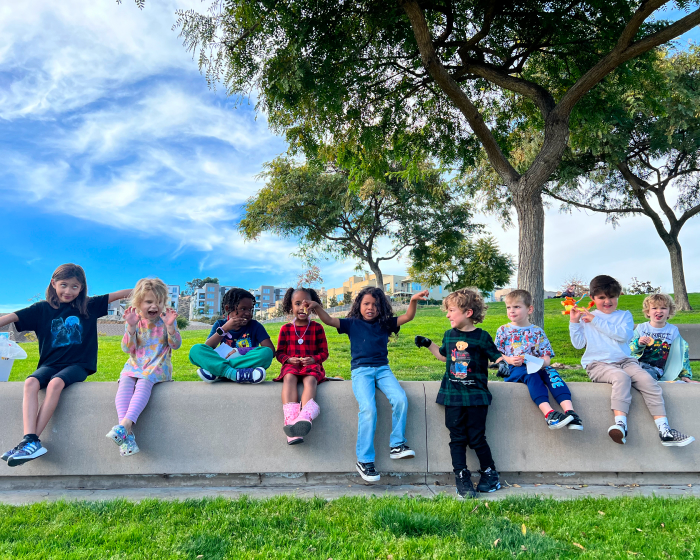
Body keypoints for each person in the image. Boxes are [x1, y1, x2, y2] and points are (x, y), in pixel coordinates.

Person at [0, 263, 132, 467]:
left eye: (74, 287)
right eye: (63, 285)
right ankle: (30, 440)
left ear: (82, 288)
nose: (68, 291)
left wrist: (148, 288)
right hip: (50, 363)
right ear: (53, 283)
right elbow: (9, 318)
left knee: (54, 384)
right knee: (30, 383)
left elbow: (119, 294)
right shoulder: (41, 309)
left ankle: (30, 442)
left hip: (79, 364)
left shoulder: (87, 306)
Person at [304, 287, 429, 483]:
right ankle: (364, 460)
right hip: (361, 371)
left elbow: (408, 317)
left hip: (383, 370)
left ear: (381, 307)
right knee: (368, 409)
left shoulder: (385, 323)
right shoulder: (352, 324)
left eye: (375, 304)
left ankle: (397, 444)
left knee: (400, 399)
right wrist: (318, 307)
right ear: (359, 305)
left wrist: (413, 300)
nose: (370, 307)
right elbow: (329, 320)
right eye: (366, 304)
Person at [569, 275, 694, 446]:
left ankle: (664, 430)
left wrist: (595, 320)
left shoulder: (624, 316)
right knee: (621, 378)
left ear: (618, 295)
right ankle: (620, 424)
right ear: (592, 298)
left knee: (648, 381)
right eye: (602, 298)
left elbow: (623, 336)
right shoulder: (587, 317)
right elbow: (578, 344)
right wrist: (574, 323)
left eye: (612, 297)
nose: (607, 301)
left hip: (626, 361)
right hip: (598, 364)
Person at [415, 288, 504, 499]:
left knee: (476, 438)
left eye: (452, 310)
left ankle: (490, 474)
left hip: (476, 396)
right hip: (453, 395)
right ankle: (461, 476)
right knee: (456, 438)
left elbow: (496, 356)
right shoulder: (449, 335)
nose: (448, 315)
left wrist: (503, 365)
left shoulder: (481, 337)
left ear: (468, 313)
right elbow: (444, 357)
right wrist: (428, 344)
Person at [106, 279, 182, 456]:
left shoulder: (166, 320)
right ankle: (127, 434)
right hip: (135, 364)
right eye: (149, 302)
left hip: (158, 365)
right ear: (139, 302)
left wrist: (171, 328)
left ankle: (124, 426)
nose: (155, 306)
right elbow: (127, 349)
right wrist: (131, 327)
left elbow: (176, 345)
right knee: (124, 384)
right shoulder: (134, 320)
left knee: (143, 384)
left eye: (159, 302)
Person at [495, 289, 583, 430]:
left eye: (517, 307)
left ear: (529, 309)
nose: (511, 311)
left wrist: (543, 363)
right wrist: (510, 360)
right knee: (532, 376)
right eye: (508, 307)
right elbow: (497, 354)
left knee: (552, 374)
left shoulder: (537, 331)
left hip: (535, 365)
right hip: (515, 369)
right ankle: (549, 414)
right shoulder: (503, 330)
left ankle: (570, 413)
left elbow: (546, 356)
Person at [274, 287, 329, 444]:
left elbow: (324, 353)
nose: (302, 308)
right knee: (289, 377)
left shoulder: (317, 328)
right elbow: (279, 353)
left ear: (312, 306)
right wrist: (289, 360)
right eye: (297, 303)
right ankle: (291, 423)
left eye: (306, 304)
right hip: (292, 365)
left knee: (310, 380)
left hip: (311, 365)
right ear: (291, 306)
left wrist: (313, 359)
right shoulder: (286, 329)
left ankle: (305, 416)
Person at [189, 288, 274, 384]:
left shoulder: (255, 326)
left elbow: (271, 350)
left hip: (245, 361)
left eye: (250, 309)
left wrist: (240, 351)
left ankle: (217, 370)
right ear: (227, 308)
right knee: (195, 350)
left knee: (266, 353)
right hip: (229, 361)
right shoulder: (220, 324)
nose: (248, 313)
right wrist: (224, 329)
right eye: (243, 309)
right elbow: (208, 347)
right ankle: (234, 373)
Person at [630, 293, 697, 384]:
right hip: (635, 366)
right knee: (625, 376)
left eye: (663, 308)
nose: (659, 311)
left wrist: (685, 376)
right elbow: (628, 350)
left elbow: (681, 354)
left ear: (669, 311)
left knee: (645, 377)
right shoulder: (641, 329)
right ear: (648, 312)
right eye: (654, 308)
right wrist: (639, 343)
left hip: (655, 370)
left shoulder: (673, 332)